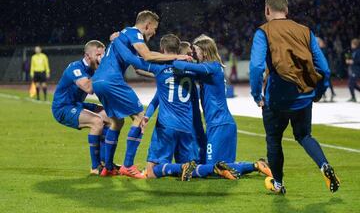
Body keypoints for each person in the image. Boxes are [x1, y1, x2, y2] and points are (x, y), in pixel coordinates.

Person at [249, 0, 340, 194]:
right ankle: (324, 165)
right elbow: (324, 68)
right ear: (287, 10)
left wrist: (257, 96)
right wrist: (318, 93)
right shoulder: (305, 31)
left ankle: (279, 184)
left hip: (277, 99)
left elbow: (256, 67)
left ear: (267, 10)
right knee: (304, 136)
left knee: (274, 140)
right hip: (304, 97)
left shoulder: (263, 32)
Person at [92, 10, 191, 178]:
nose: (154, 33)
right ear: (147, 25)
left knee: (116, 122)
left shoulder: (124, 36)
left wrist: (164, 76)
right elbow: (147, 55)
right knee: (139, 117)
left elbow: (139, 68)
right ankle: (128, 166)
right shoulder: (134, 33)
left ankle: (107, 167)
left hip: (98, 81)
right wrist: (177, 57)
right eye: (154, 28)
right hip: (112, 80)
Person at [171, 35, 272, 180]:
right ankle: (257, 165)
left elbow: (181, 66)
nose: (194, 54)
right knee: (224, 167)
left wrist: (179, 59)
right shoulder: (209, 69)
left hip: (219, 125)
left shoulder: (212, 66)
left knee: (214, 169)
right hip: (221, 123)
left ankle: (255, 165)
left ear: (205, 52)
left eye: (196, 51)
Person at [52, 40, 112, 175]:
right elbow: (89, 88)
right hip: (63, 108)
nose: (101, 58)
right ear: (87, 56)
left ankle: (106, 163)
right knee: (97, 121)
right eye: (98, 54)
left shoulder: (93, 69)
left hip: (76, 104)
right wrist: (102, 70)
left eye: (103, 54)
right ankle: (95, 167)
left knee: (110, 117)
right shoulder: (76, 68)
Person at [317, 37, 336, 102]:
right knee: (323, 81)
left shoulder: (324, 50)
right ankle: (325, 94)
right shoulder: (321, 50)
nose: (318, 43)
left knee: (327, 81)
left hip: (326, 68)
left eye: (320, 42)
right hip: (323, 68)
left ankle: (332, 93)